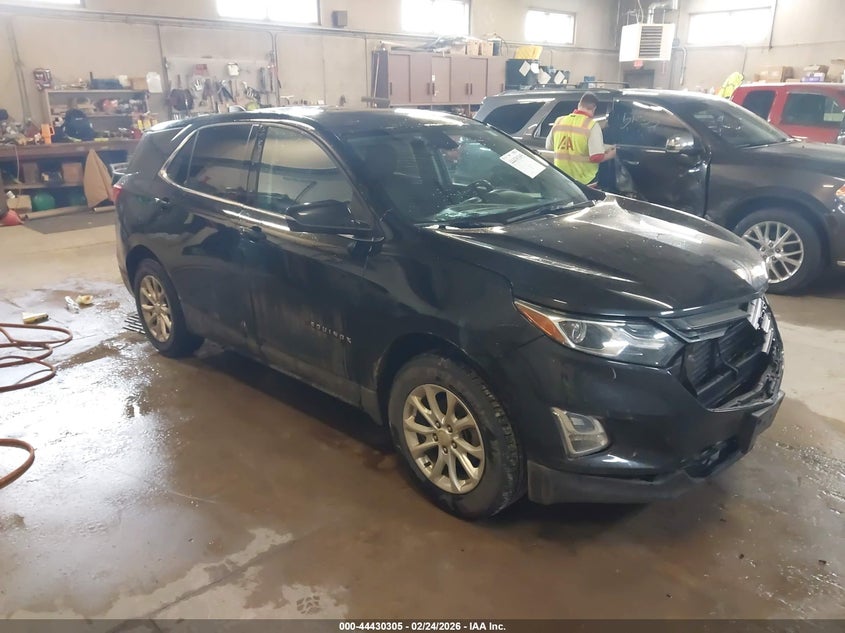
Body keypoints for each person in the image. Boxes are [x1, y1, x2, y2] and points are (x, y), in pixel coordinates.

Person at [545, 92, 616, 186]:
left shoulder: (559, 121)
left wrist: (606, 147)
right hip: (584, 180)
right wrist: (612, 154)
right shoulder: (592, 125)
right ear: (594, 108)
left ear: (579, 104)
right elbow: (596, 157)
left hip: (562, 178)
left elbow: (549, 146)